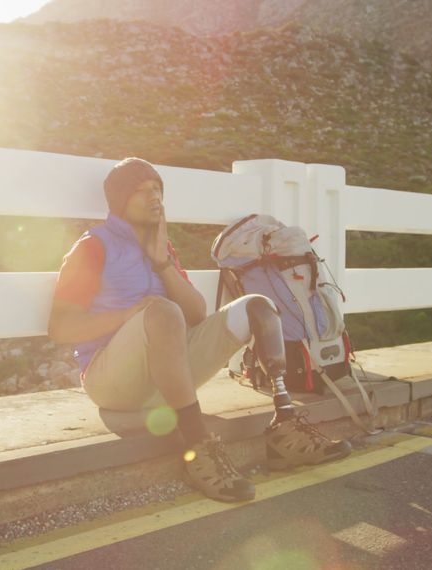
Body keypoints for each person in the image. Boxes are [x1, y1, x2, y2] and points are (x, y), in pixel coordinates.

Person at [47, 157, 351, 502]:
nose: (155, 197)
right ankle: (199, 449)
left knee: (257, 306)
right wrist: (129, 313)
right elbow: (61, 327)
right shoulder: (92, 248)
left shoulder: (163, 249)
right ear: (119, 201)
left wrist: (162, 263)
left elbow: (196, 313)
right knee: (162, 311)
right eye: (141, 191)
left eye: (158, 189)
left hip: (168, 376)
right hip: (113, 383)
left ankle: (285, 427)